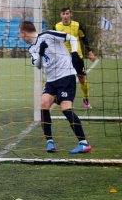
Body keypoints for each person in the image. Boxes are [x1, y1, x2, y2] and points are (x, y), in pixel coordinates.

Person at [19, 20, 92, 154]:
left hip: (66, 75)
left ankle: (83, 143)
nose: (21, 38)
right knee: (44, 104)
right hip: (51, 80)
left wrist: (75, 53)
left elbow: (72, 38)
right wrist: (41, 53)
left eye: (20, 35)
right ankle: (50, 142)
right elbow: (39, 65)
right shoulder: (32, 49)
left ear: (23, 33)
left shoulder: (47, 35)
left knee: (65, 108)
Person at [54, 6, 97, 108]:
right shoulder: (56, 27)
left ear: (71, 14)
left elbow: (83, 39)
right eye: (63, 14)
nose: (65, 16)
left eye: (67, 14)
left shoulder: (77, 25)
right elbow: (53, 41)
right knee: (63, 79)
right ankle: (63, 100)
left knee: (82, 79)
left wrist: (90, 52)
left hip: (77, 57)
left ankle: (86, 100)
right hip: (63, 59)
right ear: (61, 15)